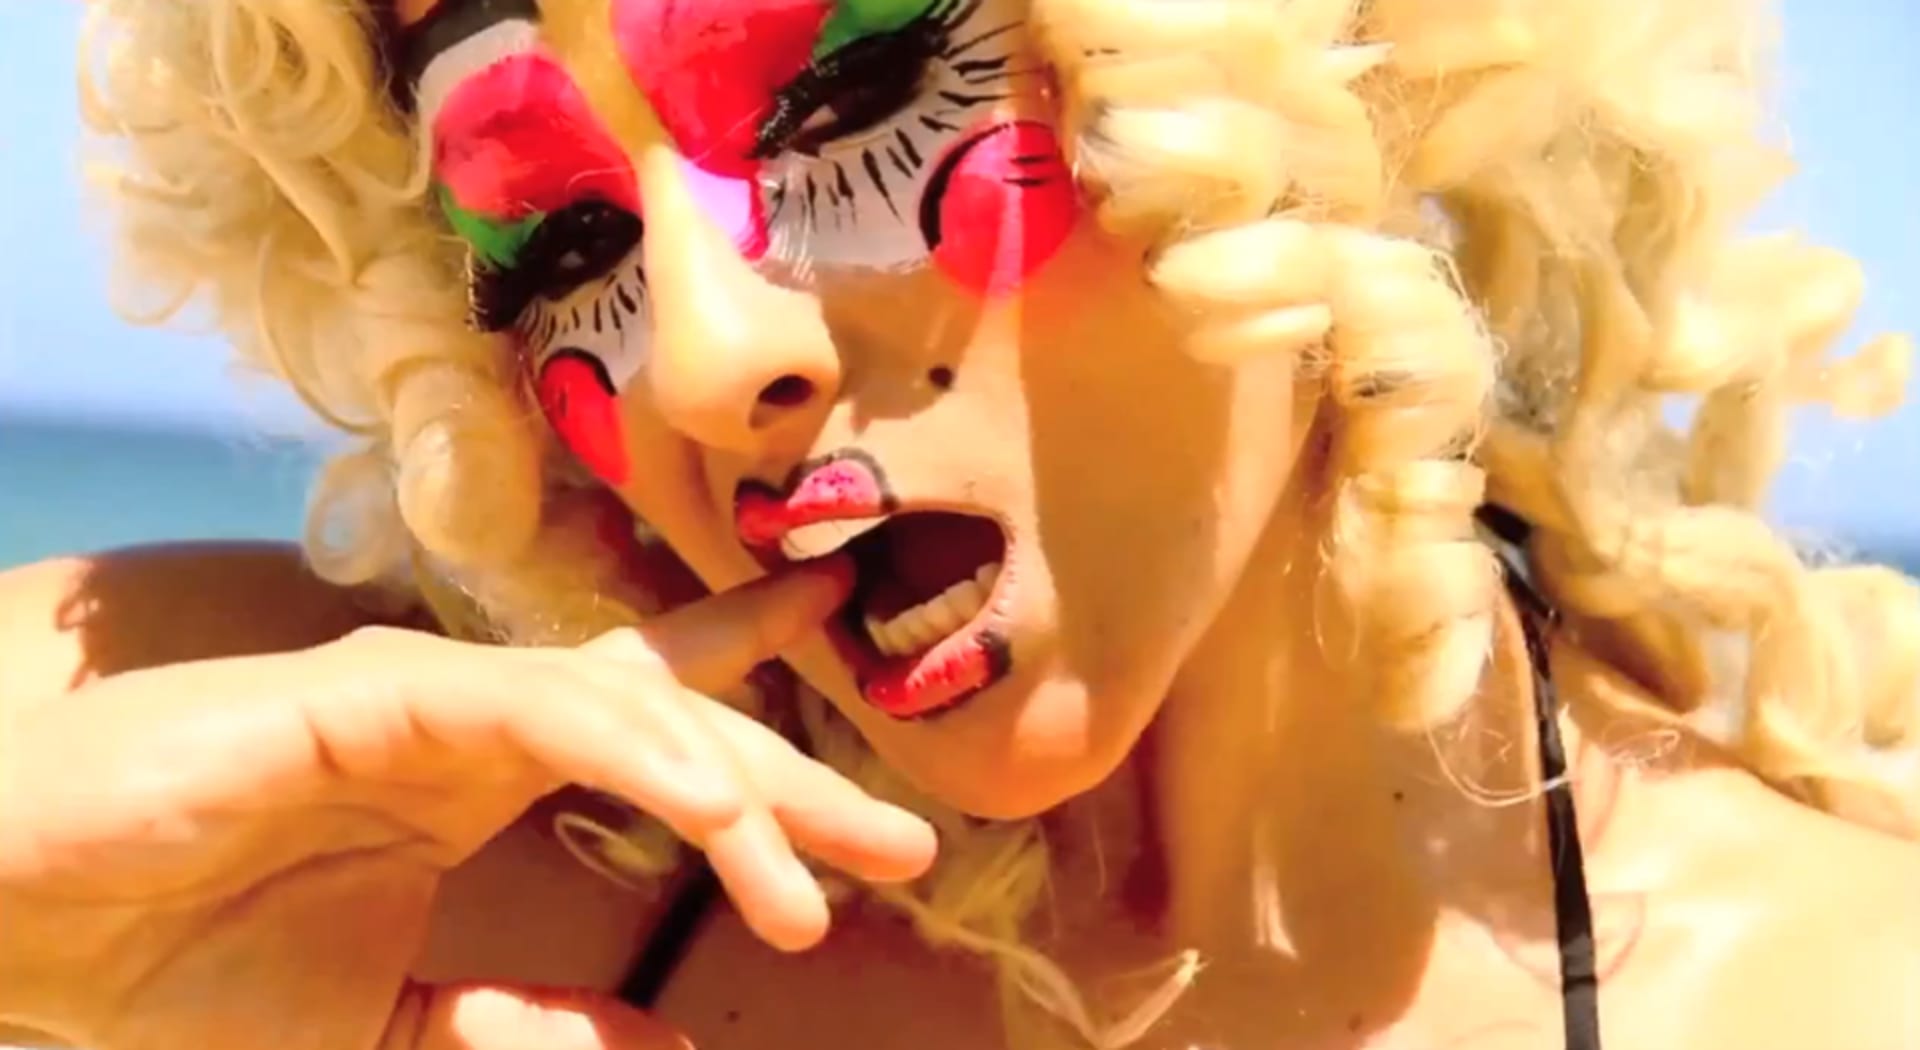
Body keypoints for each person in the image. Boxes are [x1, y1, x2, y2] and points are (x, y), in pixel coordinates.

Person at [4, 0, 1918, 1047]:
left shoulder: (1839, 992)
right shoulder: (332, 838)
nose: (702, 359)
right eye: (568, 245)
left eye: (855, 103)